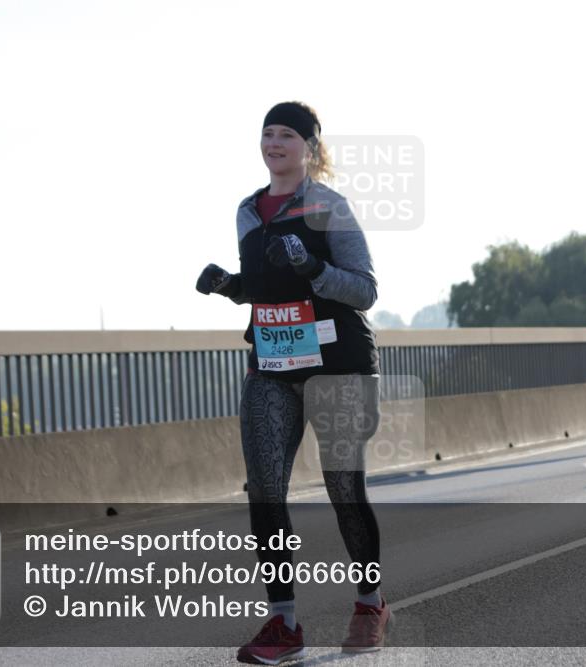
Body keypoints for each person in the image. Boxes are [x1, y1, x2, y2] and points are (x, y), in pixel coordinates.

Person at [196, 101, 390, 664]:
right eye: (267, 134)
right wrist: (230, 285)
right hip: (274, 365)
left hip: (338, 365)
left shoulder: (330, 207)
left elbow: (366, 290)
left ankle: (369, 603)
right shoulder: (247, 211)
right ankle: (284, 623)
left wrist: (313, 268)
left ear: (309, 147)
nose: (273, 142)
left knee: (343, 488)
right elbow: (264, 287)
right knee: (264, 489)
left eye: (286, 134)